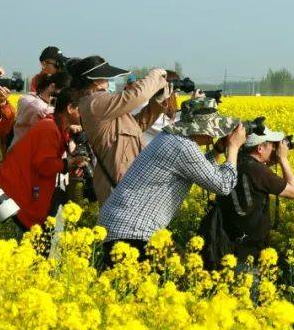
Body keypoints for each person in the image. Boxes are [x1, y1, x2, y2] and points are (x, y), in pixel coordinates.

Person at [98, 98, 246, 265]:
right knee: (180, 278)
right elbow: (223, 185)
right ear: (200, 128)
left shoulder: (172, 137)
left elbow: (199, 170)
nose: (215, 133)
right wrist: (233, 148)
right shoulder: (184, 146)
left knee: (182, 272)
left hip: (121, 226)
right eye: (213, 128)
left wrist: (218, 150)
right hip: (133, 233)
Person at [200, 124, 294, 273]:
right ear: (259, 148)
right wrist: (283, 159)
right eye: (272, 145)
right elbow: (293, 192)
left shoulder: (232, 163)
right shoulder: (258, 171)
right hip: (247, 253)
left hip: (224, 245)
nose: (274, 149)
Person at [70, 56, 168, 202]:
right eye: (105, 77)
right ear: (95, 81)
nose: (109, 81)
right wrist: (154, 77)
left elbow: (135, 126)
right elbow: (137, 95)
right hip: (118, 184)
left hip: (128, 180)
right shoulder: (94, 102)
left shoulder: (101, 104)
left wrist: (157, 101)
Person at [0, 88, 87, 232]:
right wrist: (69, 163)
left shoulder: (56, 127)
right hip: (17, 197)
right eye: (82, 109)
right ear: (70, 108)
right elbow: (44, 165)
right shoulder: (49, 128)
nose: (85, 113)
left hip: (23, 193)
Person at [12, 71, 71, 145]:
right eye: (63, 93)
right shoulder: (32, 103)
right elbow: (45, 112)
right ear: (52, 86)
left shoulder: (35, 99)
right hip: (26, 153)